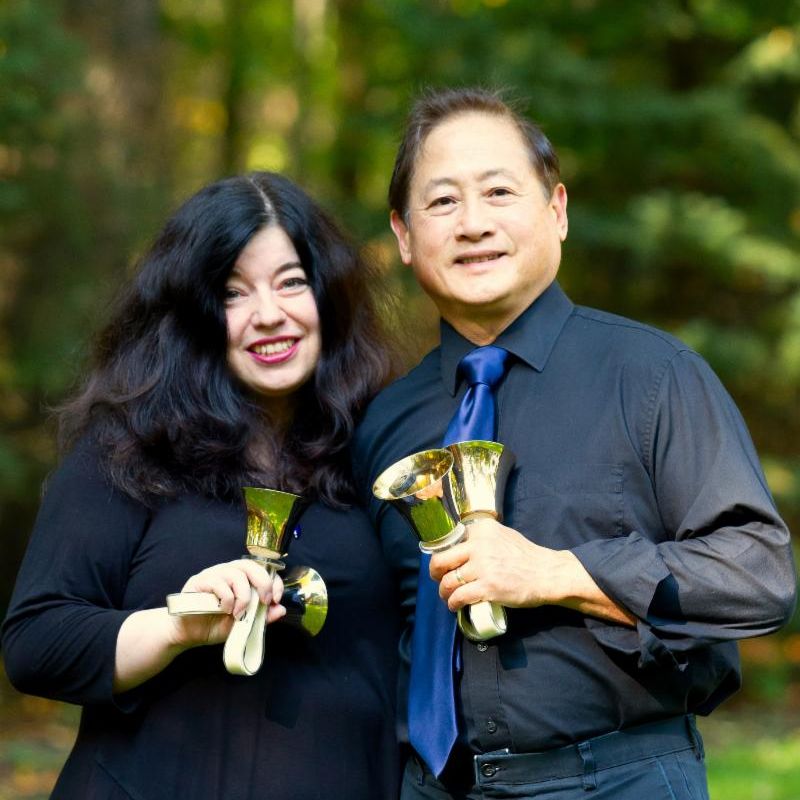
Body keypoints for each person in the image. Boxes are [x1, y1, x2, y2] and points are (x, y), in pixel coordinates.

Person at [353, 87, 797, 800]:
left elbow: (759, 574)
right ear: (404, 236)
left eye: (499, 192)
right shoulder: (383, 421)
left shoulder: (653, 376)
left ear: (557, 211)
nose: (473, 223)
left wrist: (559, 573)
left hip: (617, 780)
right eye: (442, 202)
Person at [2, 172, 401, 800]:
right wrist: (174, 627)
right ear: (193, 315)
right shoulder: (127, 446)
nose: (268, 315)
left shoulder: (384, 446)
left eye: (291, 282)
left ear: (329, 295)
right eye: (231, 293)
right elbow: (36, 643)